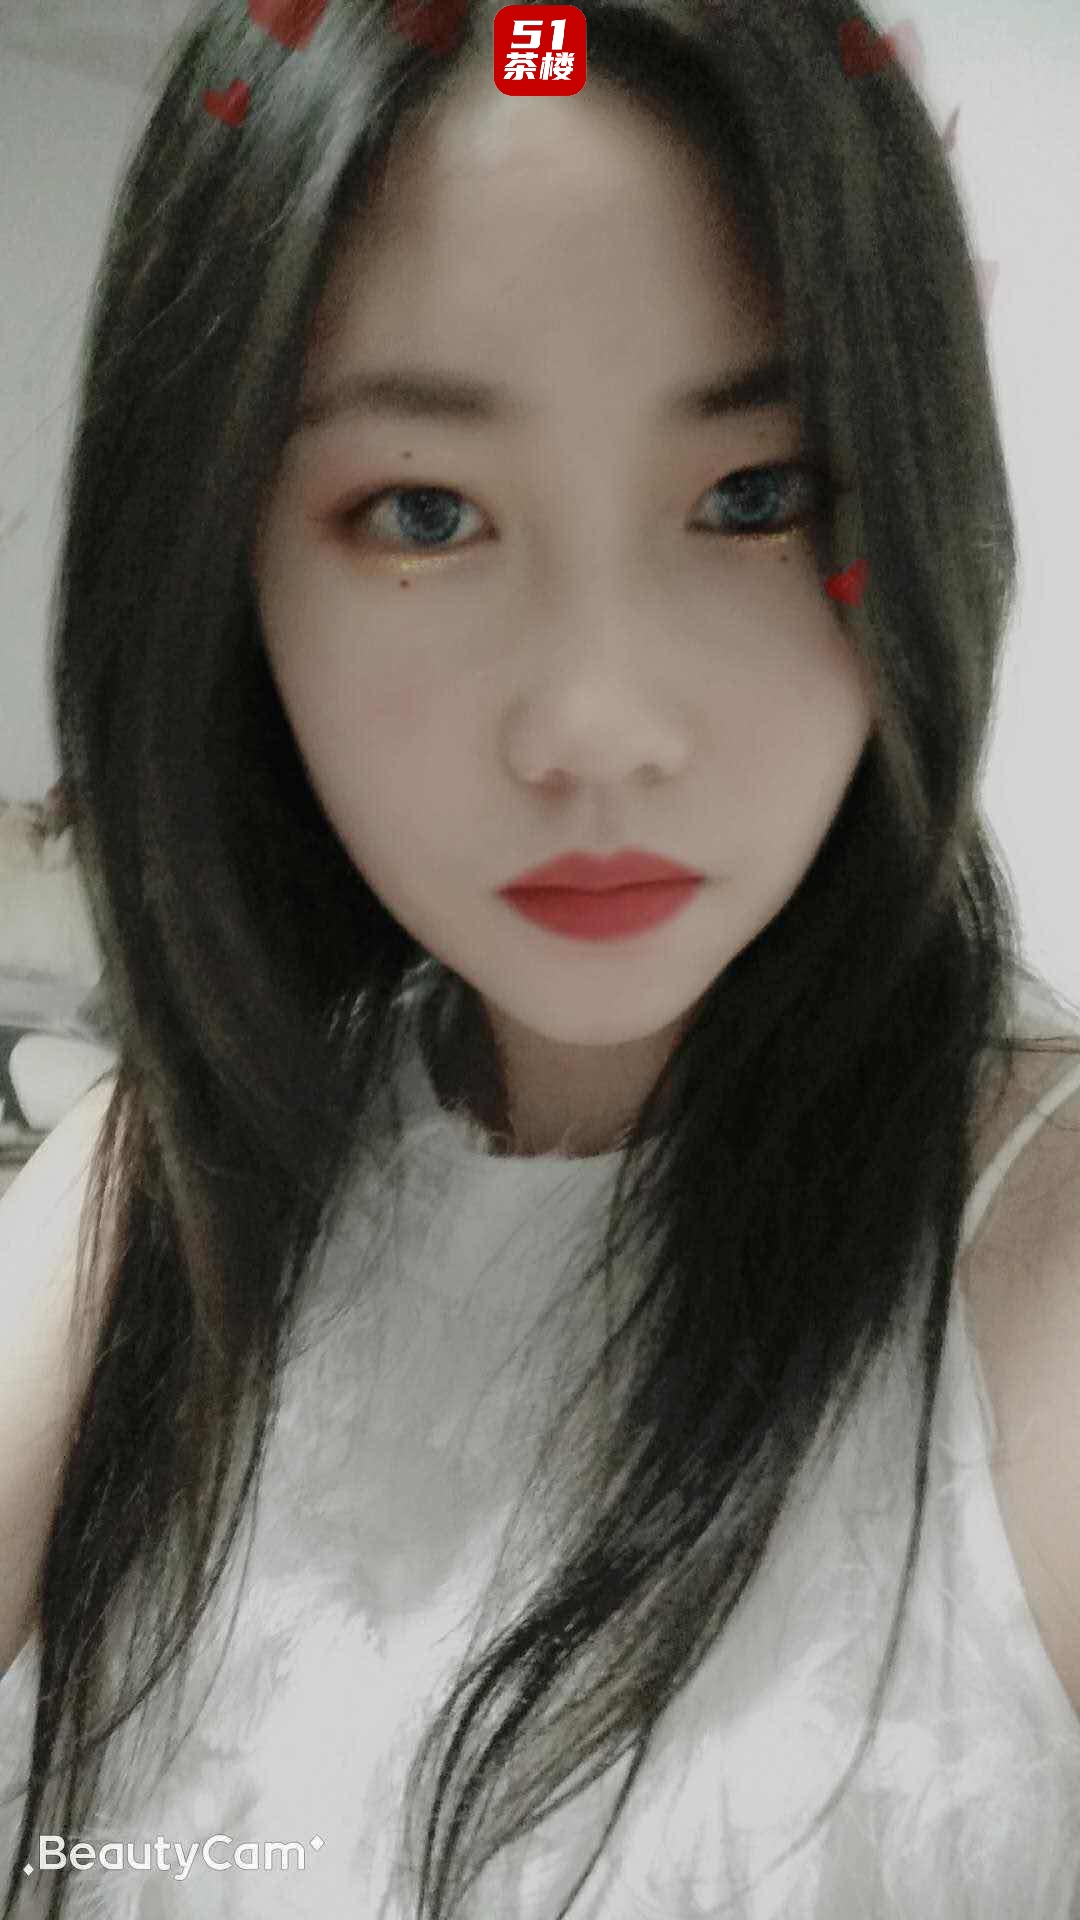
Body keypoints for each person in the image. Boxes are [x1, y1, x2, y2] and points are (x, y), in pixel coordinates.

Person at [2, 0, 1080, 1914]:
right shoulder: (140, 1203)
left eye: (757, 497)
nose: (597, 727)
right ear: (220, 566)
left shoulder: (1038, 1277)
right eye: (423, 513)